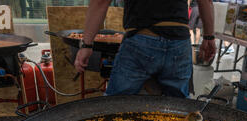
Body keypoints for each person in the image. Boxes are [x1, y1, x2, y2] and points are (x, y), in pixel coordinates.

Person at [75, 0, 216, 98]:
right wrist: (209, 37)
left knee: (116, 105)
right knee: (177, 107)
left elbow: (100, 2)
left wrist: (86, 45)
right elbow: (206, 1)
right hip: (179, 43)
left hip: (142, 39)